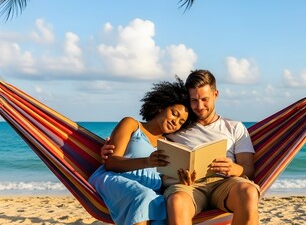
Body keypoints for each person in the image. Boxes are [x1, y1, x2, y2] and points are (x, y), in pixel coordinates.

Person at [101, 70, 260, 225]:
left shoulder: (235, 127)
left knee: (249, 192)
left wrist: (234, 169)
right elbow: (147, 140)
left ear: (215, 95)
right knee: (176, 202)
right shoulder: (177, 129)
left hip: (224, 184)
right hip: (187, 186)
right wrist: (106, 147)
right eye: (194, 100)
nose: (199, 106)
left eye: (204, 99)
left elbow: (249, 169)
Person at [89, 77, 193, 225]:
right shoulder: (132, 125)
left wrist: (181, 179)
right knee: (143, 196)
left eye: (181, 122)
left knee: (160, 206)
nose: (175, 122)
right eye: (174, 113)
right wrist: (147, 162)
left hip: (151, 190)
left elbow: (163, 178)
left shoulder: (170, 144)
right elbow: (111, 163)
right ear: (161, 107)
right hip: (118, 181)